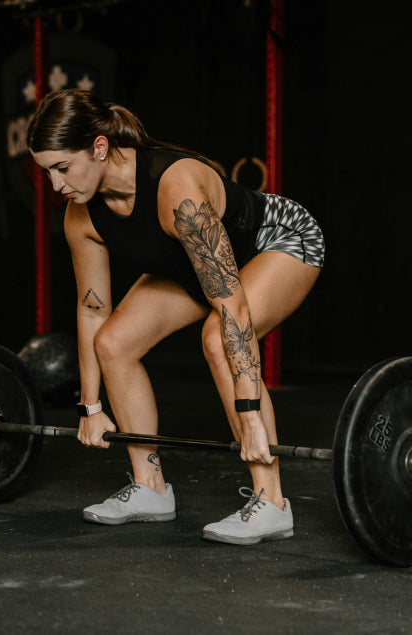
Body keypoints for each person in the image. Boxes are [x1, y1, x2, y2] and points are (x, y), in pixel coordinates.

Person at [27, 88, 324, 545]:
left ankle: (272, 502)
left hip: (278, 241)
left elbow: (232, 306)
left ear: (100, 147)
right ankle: (150, 488)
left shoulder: (176, 189)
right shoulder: (80, 218)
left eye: (63, 168)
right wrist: (90, 407)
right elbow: (92, 309)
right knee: (114, 343)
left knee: (217, 338)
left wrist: (249, 413)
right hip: (195, 268)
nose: (55, 184)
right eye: (46, 171)